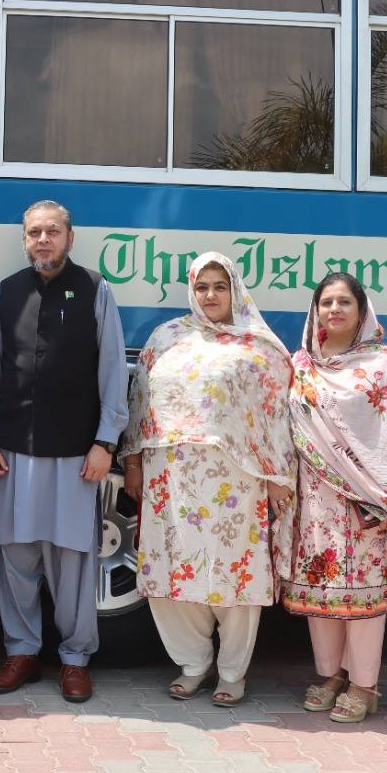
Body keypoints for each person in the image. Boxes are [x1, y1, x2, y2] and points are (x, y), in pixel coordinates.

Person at [0, 201, 127, 704]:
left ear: (69, 238)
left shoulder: (96, 290)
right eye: (34, 232)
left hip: (75, 454)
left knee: (72, 562)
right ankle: (22, 652)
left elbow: (113, 372)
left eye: (52, 232)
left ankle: (75, 659)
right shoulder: (6, 291)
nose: (43, 240)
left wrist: (106, 442)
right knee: (14, 559)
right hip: (11, 452)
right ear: (24, 239)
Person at [121, 251, 293, 708]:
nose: (211, 295)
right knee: (174, 572)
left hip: (236, 481)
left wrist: (278, 474)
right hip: (171, 478)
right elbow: (140, 402)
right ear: (191, 291)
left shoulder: (259, 347)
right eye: (202, 287)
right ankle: (193, 663)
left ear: (235, 290)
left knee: (234, 574)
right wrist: (133, 463)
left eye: (220, 286)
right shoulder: (166, 338)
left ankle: (233, 671)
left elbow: (277, 415)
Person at [279, 273, 387, 724]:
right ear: (315, 311)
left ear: (362, 312)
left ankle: (364, 685)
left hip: (367, 501)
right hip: (314, 500)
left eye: (344, 302)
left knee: (362, 595)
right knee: (322, 591)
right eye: (326, 302)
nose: (334, 310)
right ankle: (330, 675)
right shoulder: (300, 365)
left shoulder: (385, 366)